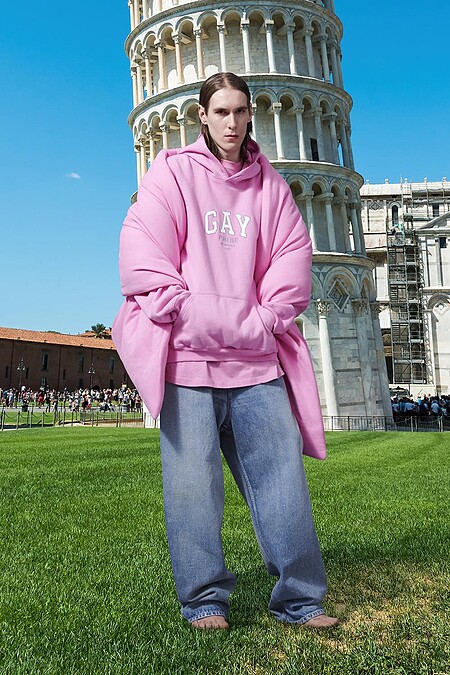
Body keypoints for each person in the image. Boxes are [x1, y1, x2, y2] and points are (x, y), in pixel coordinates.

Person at [113, 72, 338, 631]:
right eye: (221, 112)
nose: (232, 123)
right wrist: (210, 318)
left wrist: (260, 322)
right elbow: (144, 254)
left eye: (240, 111)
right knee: (192, 488)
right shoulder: (172, 173)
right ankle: (204, 599)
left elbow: (292, 260)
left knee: (282, 480)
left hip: (256, 364)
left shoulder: (272, 188)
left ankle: (299, 599)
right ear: (203, 117)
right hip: (189, 362)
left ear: (250, 115)